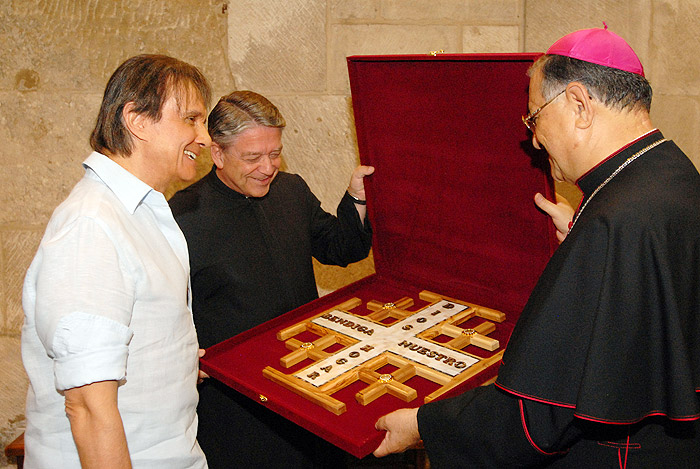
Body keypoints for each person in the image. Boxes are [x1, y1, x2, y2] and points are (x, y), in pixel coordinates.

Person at [372, 26, 700, 467]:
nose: (533, 138)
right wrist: (584, 232)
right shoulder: (669, 171)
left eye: (534, 116)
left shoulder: (615, 220)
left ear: (579, 105)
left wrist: (424, 427)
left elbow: (537, 415)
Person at [21, 54, 212, 468]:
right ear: (137, 120)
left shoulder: (137, 212)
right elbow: (87, 408)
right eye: (191, 120)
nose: (205, 138)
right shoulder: (92, 224)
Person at [169, 90, 374, 468]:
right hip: (236, 407)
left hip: (307, 382)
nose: (267, 167)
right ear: (217, 153)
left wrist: (357, 198)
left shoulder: (291, 190)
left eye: (274, 153)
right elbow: (167, 314)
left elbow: (341, 248)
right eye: (252, 157)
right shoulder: (182, 216)